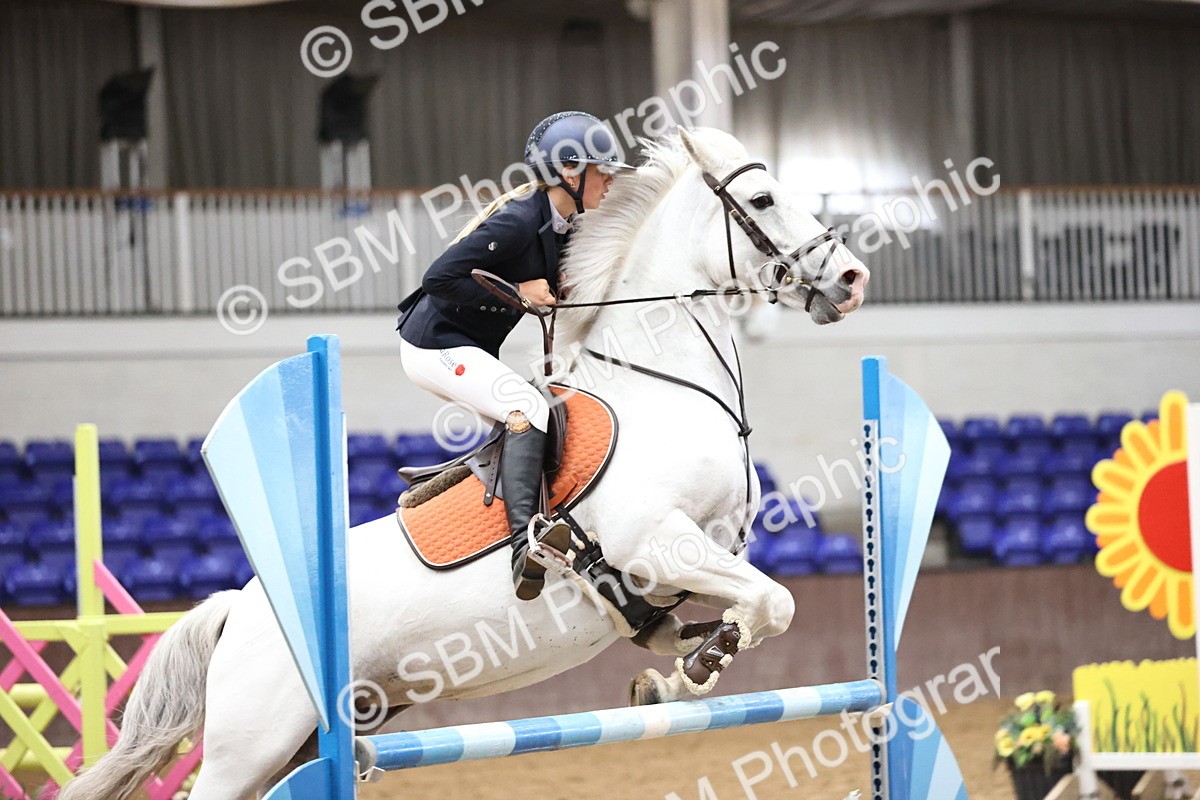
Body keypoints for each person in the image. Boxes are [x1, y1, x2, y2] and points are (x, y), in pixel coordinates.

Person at [395, 111, 633, 601]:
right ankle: (526, 544)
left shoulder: (564, 225)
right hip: (432, 343)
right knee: (526, 408)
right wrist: (517, 291)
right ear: (570, 172)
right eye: (601, 169)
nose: (610, 179)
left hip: (463, 345)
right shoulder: (520, 220)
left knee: (535, 412)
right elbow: (437, 279)